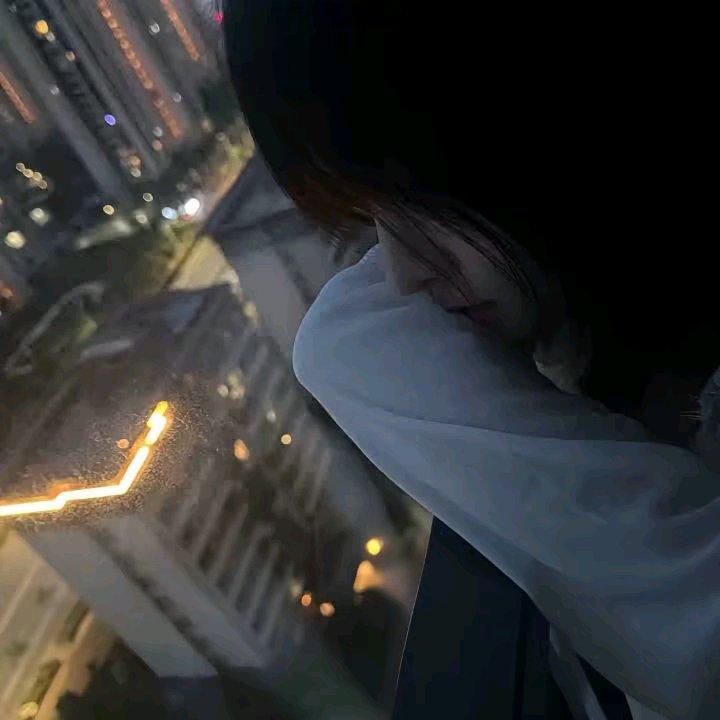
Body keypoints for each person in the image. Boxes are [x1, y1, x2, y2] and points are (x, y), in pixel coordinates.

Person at [222, 3, 719, 718]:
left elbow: (344, 339)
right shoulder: (610, 334)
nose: (401, 276)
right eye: (369, 224)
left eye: (415, 200)